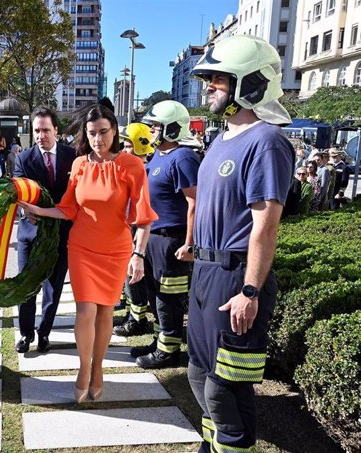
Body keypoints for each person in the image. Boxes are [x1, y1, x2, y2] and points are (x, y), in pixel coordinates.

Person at [188, 35, 295, 453]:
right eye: (210, 79)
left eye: (218, 79)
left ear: (249, 84)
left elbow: (265, 226)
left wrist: (249, 291)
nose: (209, 86)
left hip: (235, 280)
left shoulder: (266, 141)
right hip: (205, 273)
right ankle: (213, 446)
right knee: (198, 375)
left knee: (223, 388)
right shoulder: (220, 139)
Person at [19, 103, 156, 403]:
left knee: (106, 312)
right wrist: (37, 210)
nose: (98, 140)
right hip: (81, 248)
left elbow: (144, 216)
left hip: (116, 250)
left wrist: (139, 255)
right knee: (85, 310)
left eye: (103, 132)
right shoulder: (79, 165)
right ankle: (83, 369)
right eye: (92, 134)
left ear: (115, 130)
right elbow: (68, 208)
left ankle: (98, 369)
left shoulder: (131, 166)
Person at [129, 101, 199, 369]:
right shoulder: (159, 155)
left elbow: (195, 202)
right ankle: (159, 342)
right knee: (155, 293)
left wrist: (189, 243)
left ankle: (168, 352)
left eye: (156, 125)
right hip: (152, 237)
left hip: (172, 239)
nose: (151, 130)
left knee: (169, 297)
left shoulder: (183, 157)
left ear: (172, 127)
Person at [13, 106, 76, 354]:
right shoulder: (23, 159)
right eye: (37, 130)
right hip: (31, 234)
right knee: (26, 286)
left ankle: (44, 333)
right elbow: (19, 193)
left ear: (56, 131)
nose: (41, 135)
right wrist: (24, 211)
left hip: (62, 234)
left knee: (54, 287)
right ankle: (26, 334)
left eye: (46, 130)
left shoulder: (73, 157)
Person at [114, 123, 155, 337]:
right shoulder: (129, 169)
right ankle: (132, 314)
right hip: (126, 227)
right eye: (124, 146)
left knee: (134, 277)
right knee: (125, 276)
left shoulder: (146, 171)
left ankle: (137, 320)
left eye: (129, 146)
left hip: (139, 229)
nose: (125, 150)